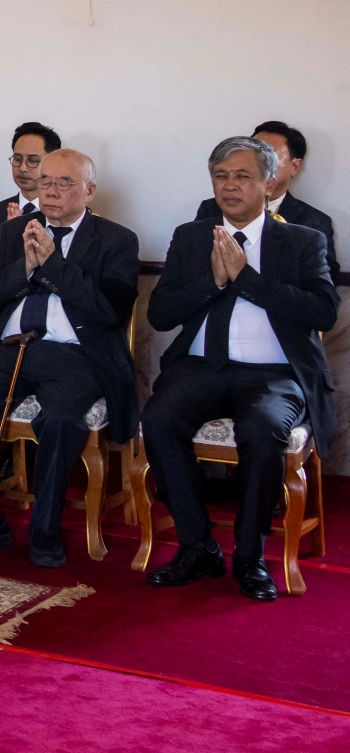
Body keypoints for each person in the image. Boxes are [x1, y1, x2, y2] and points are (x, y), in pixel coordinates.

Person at [142, 136, 336, 602]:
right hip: (201, 368)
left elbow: (324, 312)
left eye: (242, 176)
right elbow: (161, 314)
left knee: (261, 429)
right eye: (221, 176)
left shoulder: (302, 241)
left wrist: (246, 278)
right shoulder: (192, 237)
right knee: (159, 419)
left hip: (274, 374)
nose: (230, 186)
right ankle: (198, 546)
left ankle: (250, 557)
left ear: (269, 183)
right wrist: (213, 281)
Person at [0, 149, 139, 568]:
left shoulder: (116, 240)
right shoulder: (15, 231)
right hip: (13, 346)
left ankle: (45, 529)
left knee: (61, 419)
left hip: (76, 356)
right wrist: (26, 271)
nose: (51, 190)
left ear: (89, 191)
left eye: (64, 182)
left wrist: (53, 265)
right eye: (46, 180)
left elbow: (109, 312)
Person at [196, 121, 338, 279]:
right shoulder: (211, 209)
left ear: (295, 166)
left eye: (270, 155)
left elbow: (322, 282)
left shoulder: (314, 222)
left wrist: (244, 276)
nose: (261, 161)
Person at [0, 122, 61, 295]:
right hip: (3, 302)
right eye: (17, 159)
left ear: (52, 163)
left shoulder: (61, 212)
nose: (22, 168)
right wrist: (8, 237)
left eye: (33, 161)